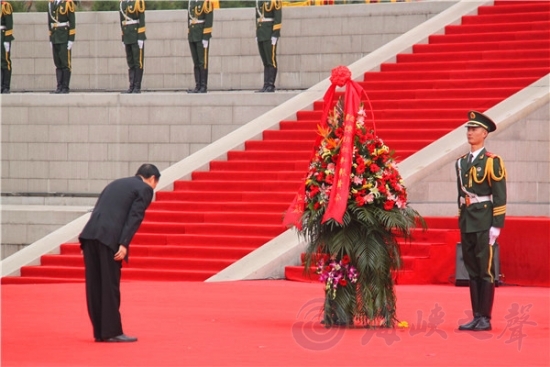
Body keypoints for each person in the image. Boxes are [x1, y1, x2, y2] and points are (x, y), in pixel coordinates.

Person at [79, 164, 161, 342]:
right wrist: (124, 243)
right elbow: (135, 217)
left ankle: (100, 331)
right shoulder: (145, 188)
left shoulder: (116, 183)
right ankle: (112, 332)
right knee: (109, 285)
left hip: (89, 235)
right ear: (153, 179)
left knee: (94, 285)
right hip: (109, 239)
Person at [456, 111, 507, 332]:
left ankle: (485, 317)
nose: (470, 132)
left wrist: (497, 224)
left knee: (485, 270)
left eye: (474, 129)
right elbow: (460, 195)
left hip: (485, 219)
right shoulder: (461, 163)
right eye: (468, 129)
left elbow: (500, 194)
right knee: (472, 269)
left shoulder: (492, 162)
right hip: (468, 219)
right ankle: (476, 315)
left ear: (484, 134)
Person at [48, 0, 76, 94]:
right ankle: (59, 86)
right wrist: (50, 38)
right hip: (55, 36)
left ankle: (65, 87)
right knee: (58, 63)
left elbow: (72, 21)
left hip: (64, 36)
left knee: (65, 63)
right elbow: (50, 23)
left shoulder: (68, 3)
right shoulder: (51, 3)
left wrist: (71, 39)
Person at [187, 0, 214, 93]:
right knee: (196, 62)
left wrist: (206, 37)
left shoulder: (206, 2)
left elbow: (209, 20)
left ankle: (203, 86)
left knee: (203, 62)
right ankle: (197, 85)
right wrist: (189, 34)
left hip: (201, 35)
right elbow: (189, 19)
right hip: (192, 35)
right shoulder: (191, 2)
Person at [119, 0, 146, 94]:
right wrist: (123, 37)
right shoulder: (122, 3)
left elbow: (141, 19)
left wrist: (141, 37)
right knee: (130, 61)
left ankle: (137, 86)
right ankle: (131, 86)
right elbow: (121, 22)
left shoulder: (138, 2)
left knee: (137, 61)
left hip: (136, 35)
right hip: (127, 35)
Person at [255, 0, 282, 93]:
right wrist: (257, 33)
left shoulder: (275, 1)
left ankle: (271, 85)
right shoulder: (259, 1)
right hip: (261, 33)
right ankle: (266, 84)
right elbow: (257, 18)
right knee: (265, 61)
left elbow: (278, 18)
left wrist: (275, 34)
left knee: (271, 61)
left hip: (269, 33)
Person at [1, 0, 13, 94]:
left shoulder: (5, 6)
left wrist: (7, 40)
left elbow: (9, 24)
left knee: (5, 61)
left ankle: (5, 86)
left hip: (2, 36)